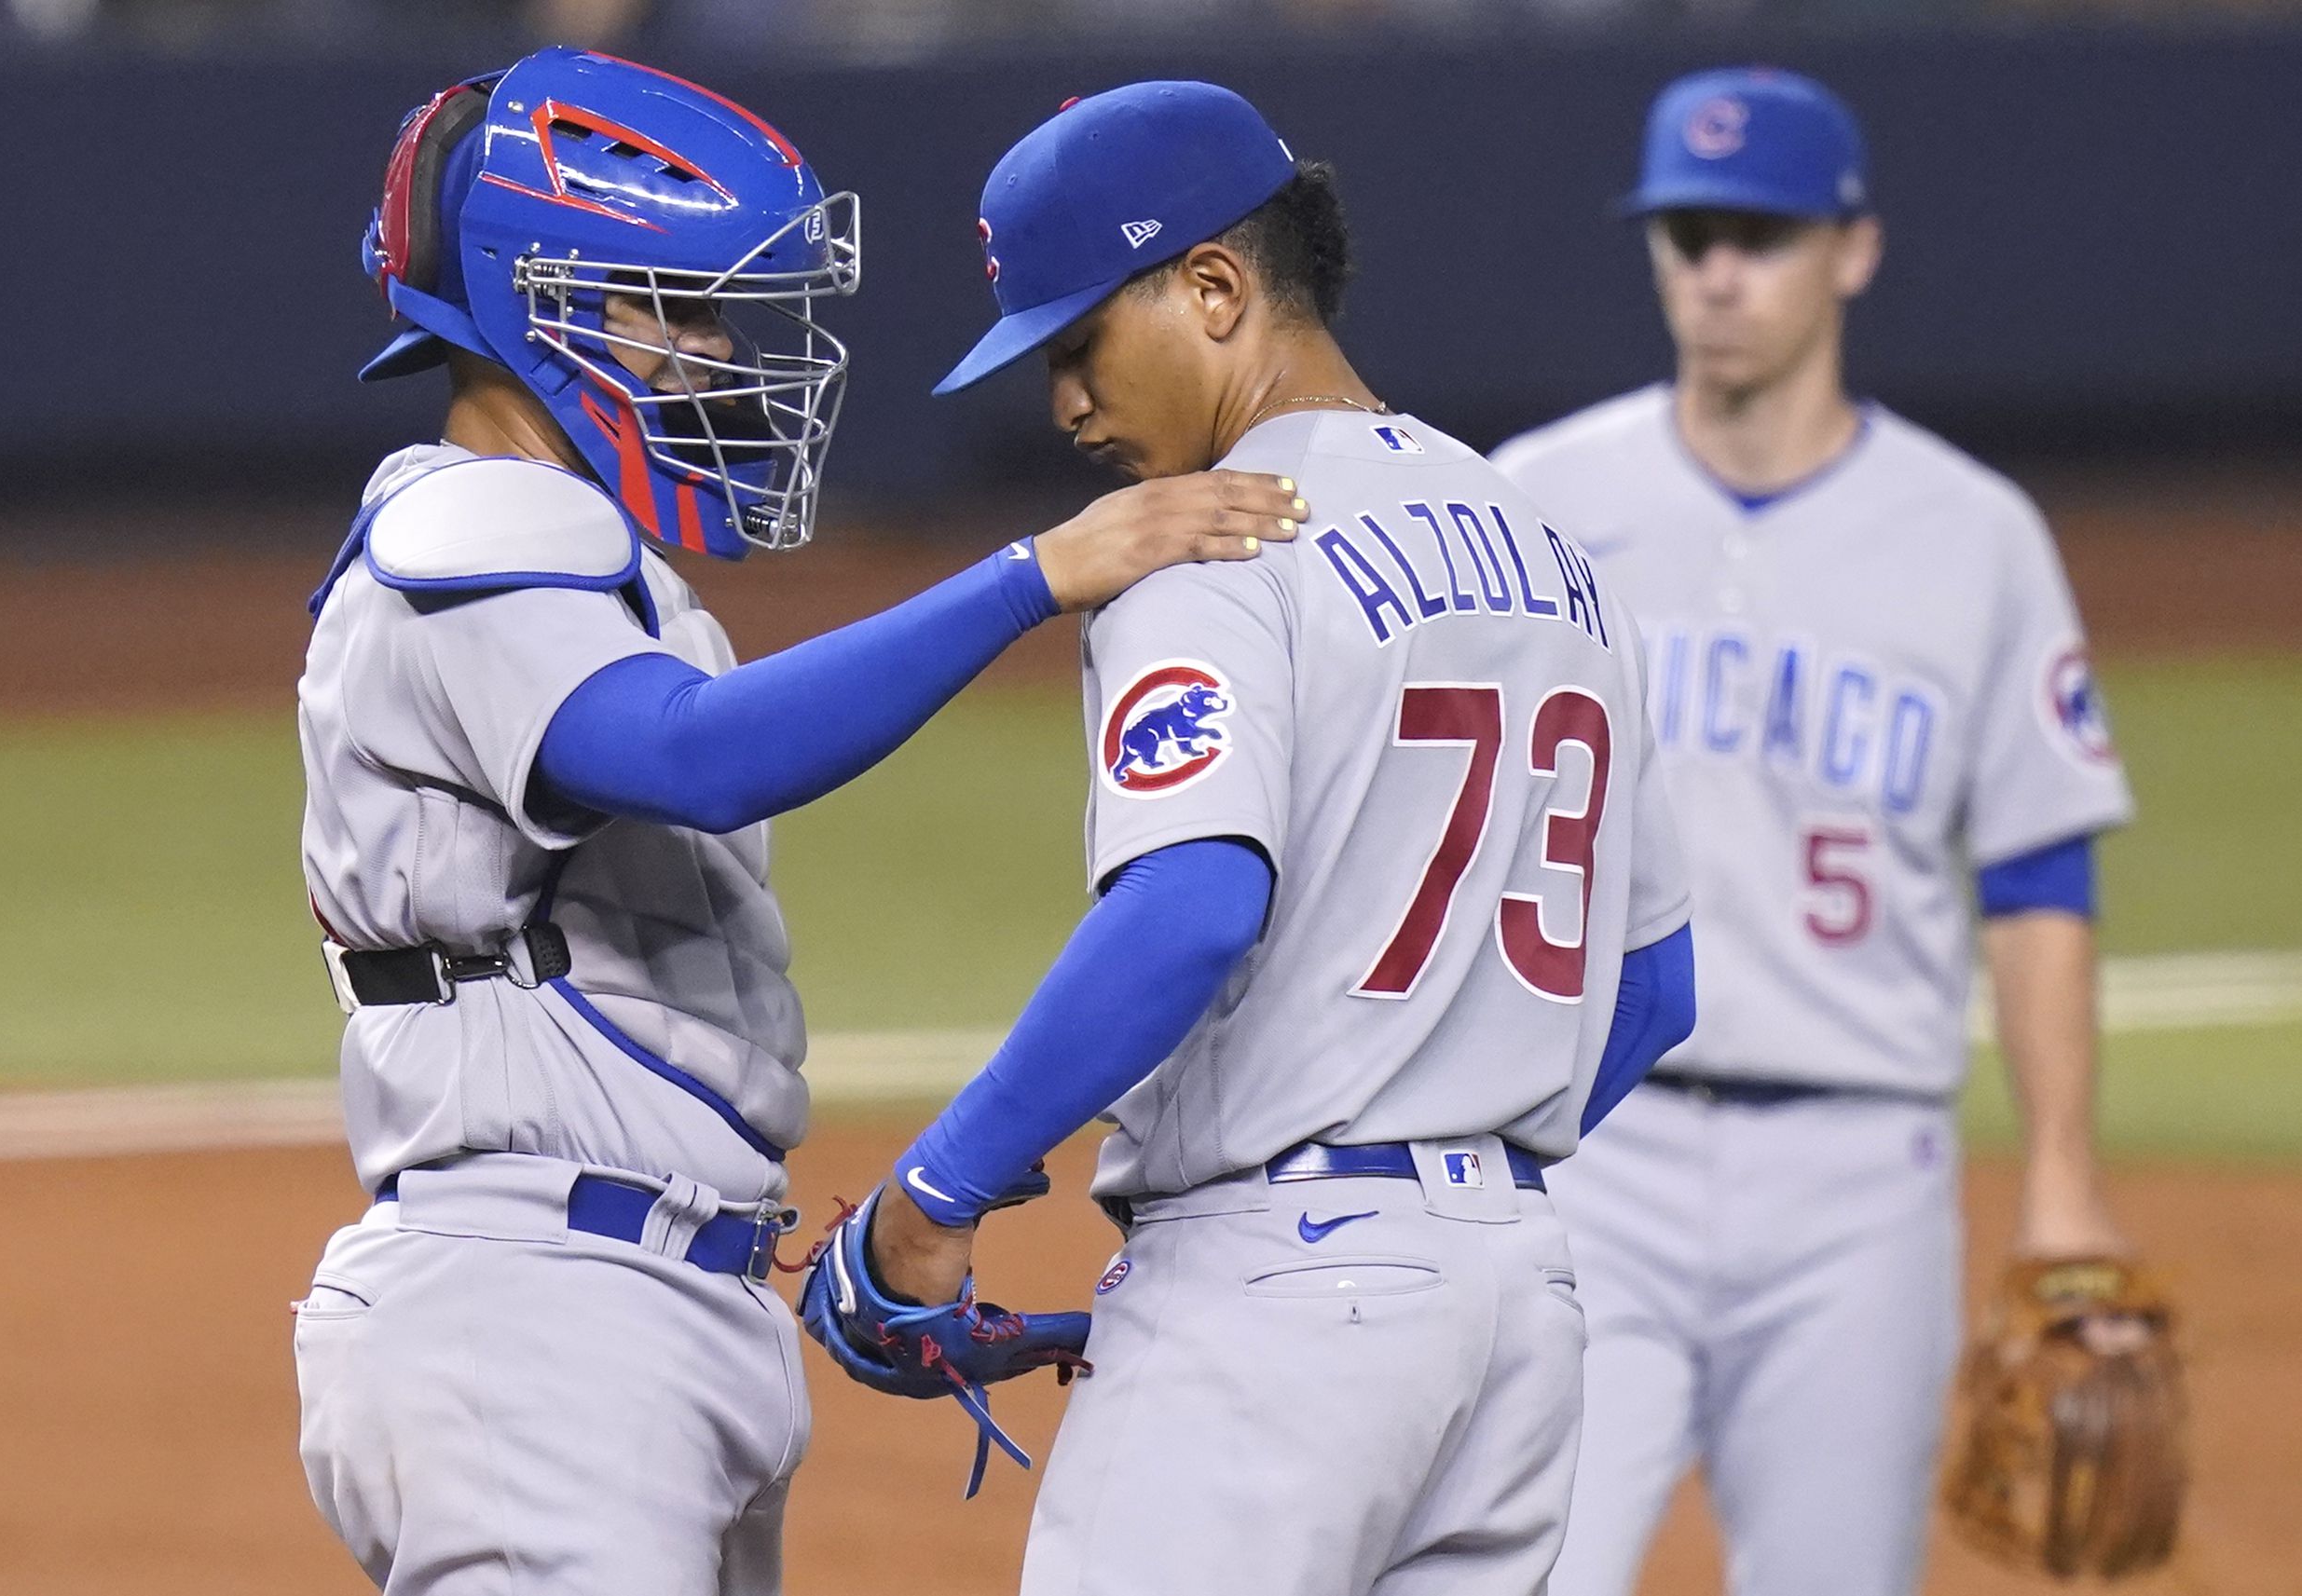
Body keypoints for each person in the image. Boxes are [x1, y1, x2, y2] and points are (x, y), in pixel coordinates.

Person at [290, 48, 1299, 1595]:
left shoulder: (590, 563)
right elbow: (699, 755)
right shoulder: (465, 531)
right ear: (527, 297)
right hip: (531, 1316)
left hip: (641, 1303)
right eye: (663, 305)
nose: (707, 351)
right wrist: (1034, 572)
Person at [798, 81, 1695, 1595]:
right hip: (1519, 1310)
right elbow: (1655, 990)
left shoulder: (1205, 537)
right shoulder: (1550, 552)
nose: (1064, 404)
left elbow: (1190, 907)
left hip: (1279, 1300)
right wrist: (1446, 1169)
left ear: (1214, 287)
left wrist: (933, 1194)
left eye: (1077, 345)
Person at [1488, 66, 2137, 1596]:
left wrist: (2059, 1172)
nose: (1715, 272)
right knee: (1520, 1574)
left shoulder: (1972, 534)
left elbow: (2038, 867)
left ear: (1850, 248)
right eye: (1687, 232)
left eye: (1758, 234)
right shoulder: (1539, 500)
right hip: (1593, 1157)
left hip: (1862, 1183)